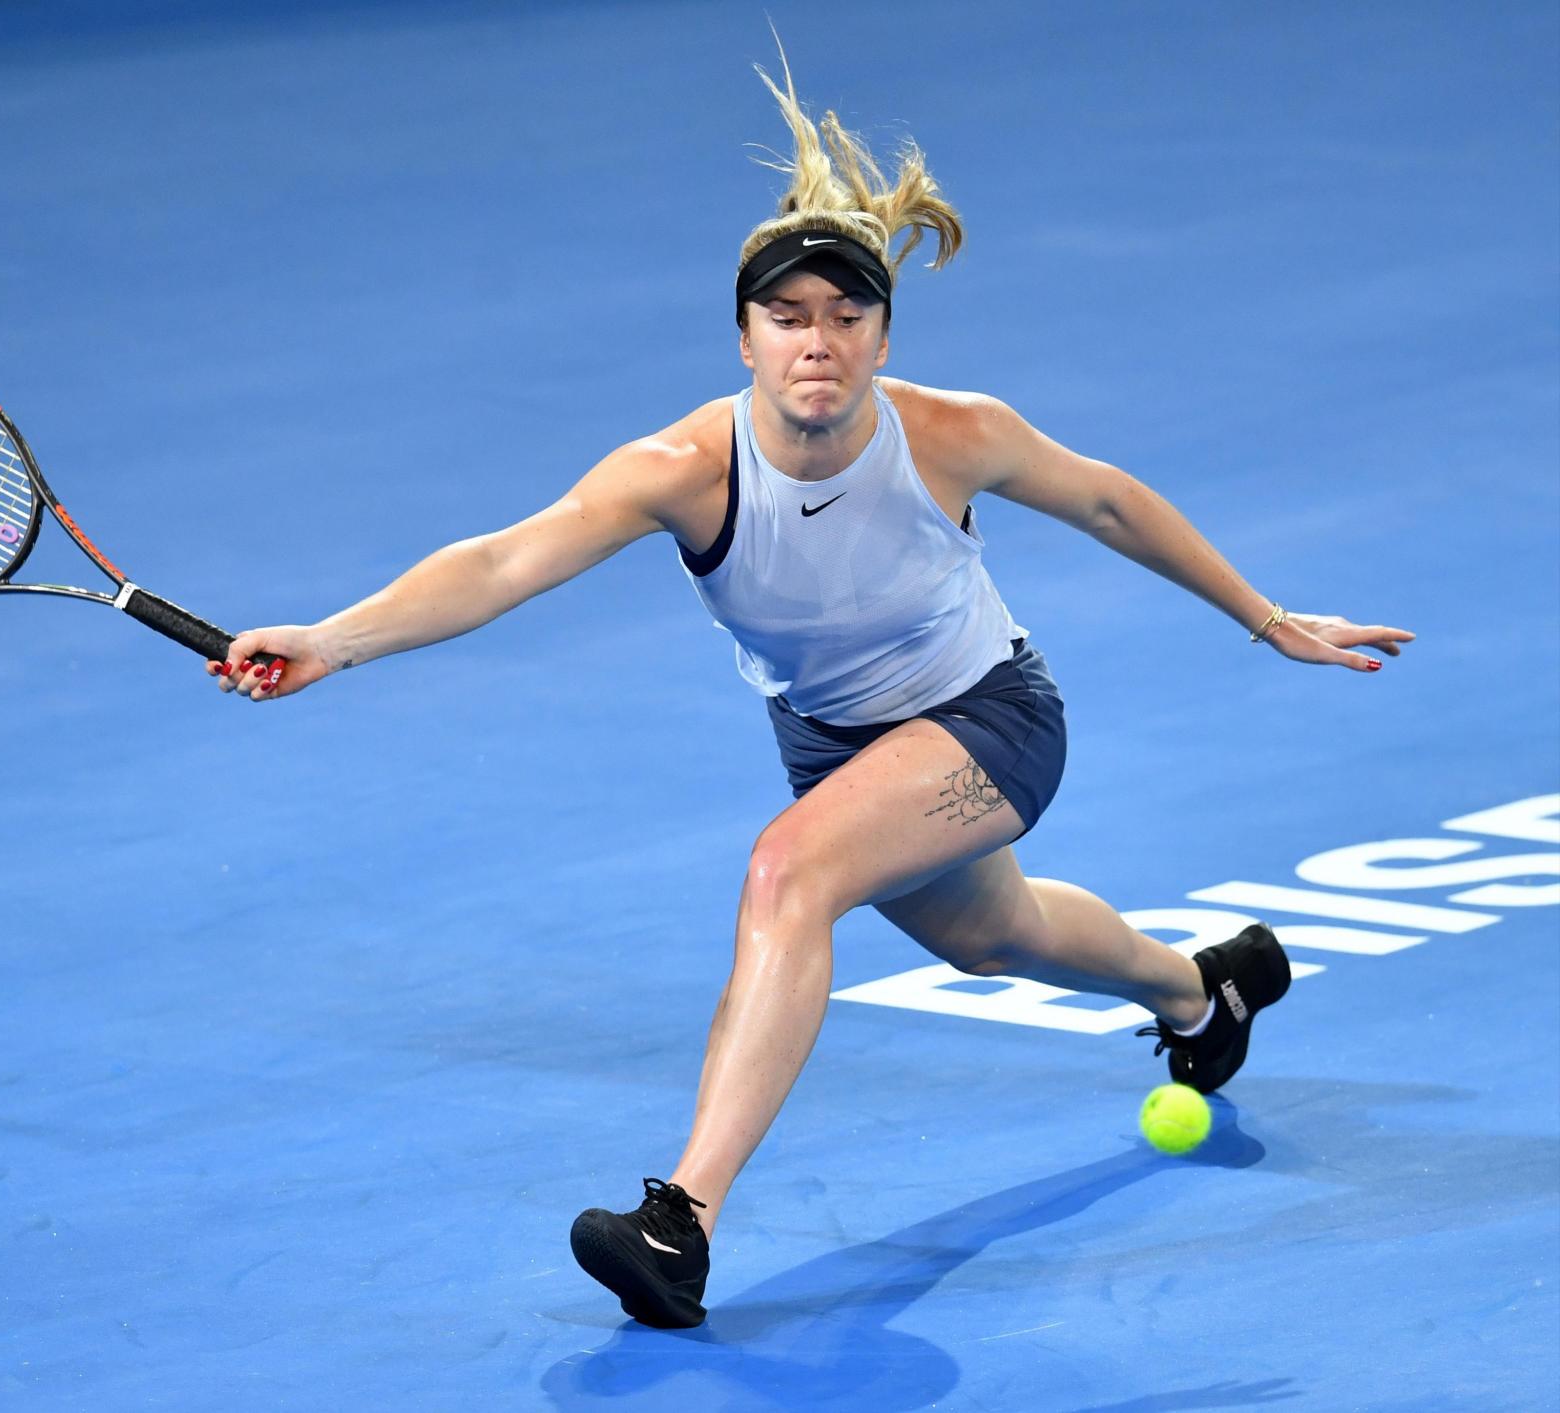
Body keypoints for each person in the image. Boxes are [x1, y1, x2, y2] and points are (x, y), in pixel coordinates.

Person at [205, 52, 1415, 1330]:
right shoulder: (678, 467)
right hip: (832, 748)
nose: (818, 340)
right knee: (990, 937)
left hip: (990, 720)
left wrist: (1263, 616)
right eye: (788, 316)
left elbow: (1108, 498)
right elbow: (504, 558)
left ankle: (679, 1222)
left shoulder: (950, 431)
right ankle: (1201, 990)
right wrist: (334, 641)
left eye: (847, 314)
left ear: (884, 336)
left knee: (787, 875)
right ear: (743, 337)